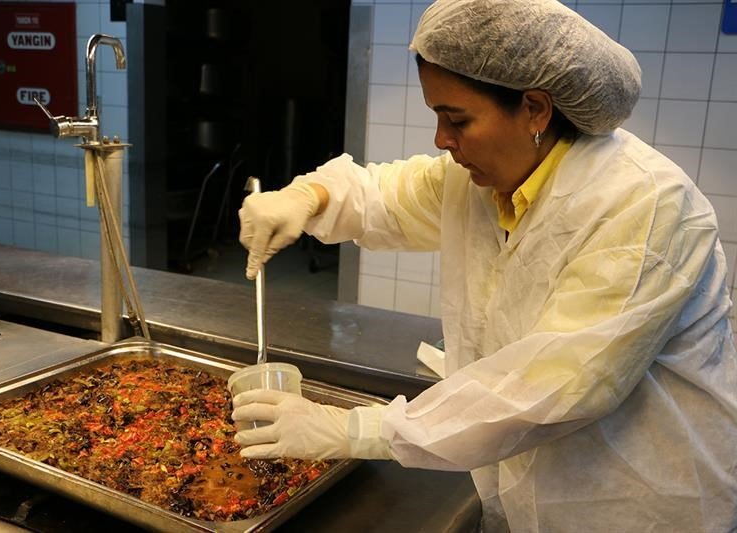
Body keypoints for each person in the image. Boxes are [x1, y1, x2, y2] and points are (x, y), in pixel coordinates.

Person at [232, 1, 737, 531]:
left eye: (457, 119)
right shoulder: (486, 178)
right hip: (527, 483)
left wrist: (353, 430)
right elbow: (381, 194)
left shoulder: (644, 205)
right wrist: (305, 196)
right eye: (436, 116)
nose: (441, 140)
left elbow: (554, 386)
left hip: (641, 498)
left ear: (536, 109)